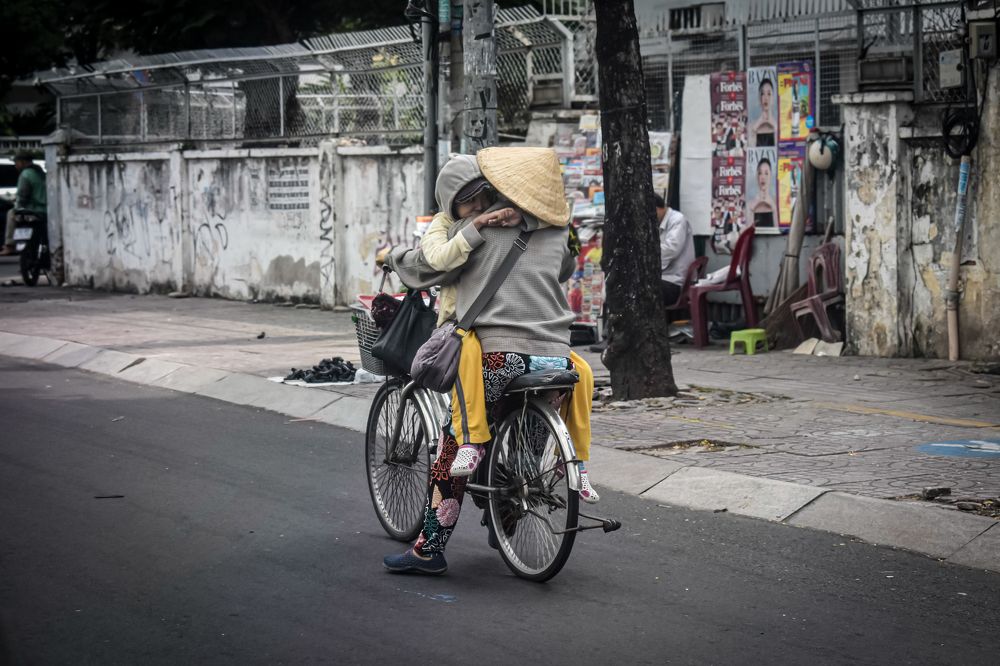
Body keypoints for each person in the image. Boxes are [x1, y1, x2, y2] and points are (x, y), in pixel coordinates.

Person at [381, 147, 588, 575]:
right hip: (555, 357)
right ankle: (507, 515)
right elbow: (563, 268)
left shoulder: (474, 231)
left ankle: (429, 549)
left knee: (456, 442)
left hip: (498, 358)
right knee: (526, 433)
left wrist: (393, 258)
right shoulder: (554, 232)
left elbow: (425, 268)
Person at [1, 151, 46, 256]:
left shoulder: (26, 174)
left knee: (11, 213)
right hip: (45, 210)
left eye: (16, 162)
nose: (15, 165)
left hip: (34, 209)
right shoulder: (40, 172)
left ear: (22, 162)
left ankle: (9, 245)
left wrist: (17, 208)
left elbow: (22, 195)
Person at [655, 194, 695, 311]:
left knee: (642, 291)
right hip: (663, 279)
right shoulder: (658, 222)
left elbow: (671, 249)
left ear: (656, 209)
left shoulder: (678, 220)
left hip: (674, 282)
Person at [748, 78, 776, 148]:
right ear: (759, 98)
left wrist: (773, 124)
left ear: (773, 98)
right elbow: (750, 149)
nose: (766, 98)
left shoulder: (778, 125)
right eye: (762, 94)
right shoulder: (752, 125)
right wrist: (757, 125)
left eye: (769, 94)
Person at [748, 158, 776, 228]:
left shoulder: (776, 203)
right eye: (760, 173)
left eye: (766, 173)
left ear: (771, 176)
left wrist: (773, 207)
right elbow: (748, 233)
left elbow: (781, 233)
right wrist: (752, 208)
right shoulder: (750, 205)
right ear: (757, 176)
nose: (763, 177)